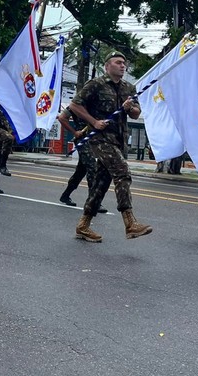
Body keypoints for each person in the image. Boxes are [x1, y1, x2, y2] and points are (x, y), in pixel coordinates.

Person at [67, 52, 151, 242]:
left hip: (119, 140)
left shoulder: (129, 87)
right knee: (122, 172)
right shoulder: (96, 85)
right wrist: (93, 121)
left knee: (100, 184)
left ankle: (83, 226)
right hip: (101, 139)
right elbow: (74, 106)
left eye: (124, 63)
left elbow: (137, 114)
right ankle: (130, 222)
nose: (123, 66)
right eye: (118, 62)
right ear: (107, 66)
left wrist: (129, 107)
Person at [56, 106, 109, 213]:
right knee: (92, 167)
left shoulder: (95, 102)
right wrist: (74, 132)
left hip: (93, 138)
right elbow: (62, 118)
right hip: (82, 140)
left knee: (81, 170)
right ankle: (94, 201)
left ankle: (65, 195)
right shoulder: (77, 104)